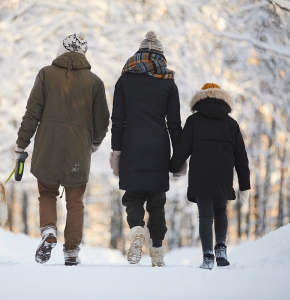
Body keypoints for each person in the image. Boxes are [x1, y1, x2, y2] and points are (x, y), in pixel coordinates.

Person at [15, 32, 110, 266]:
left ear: (61, 51)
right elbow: (102, 122)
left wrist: (21, 143)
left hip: (47, 146)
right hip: (79, 151)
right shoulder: (95, 82)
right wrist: (94, 143)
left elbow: (32, 112)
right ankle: (71, 251)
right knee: (75, 201)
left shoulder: (46, 74)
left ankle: (48, 231)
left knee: (47, 192)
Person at [110, 31, 185, 267]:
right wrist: (180, 156)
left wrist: (116, 152)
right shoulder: (168, 83)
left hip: (131, 144)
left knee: (133, 196)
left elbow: (117, 120)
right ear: (161, 57)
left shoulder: (124, 80)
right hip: (158, 146)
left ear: (138, 55)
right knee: (156, 201)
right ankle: (157, 252)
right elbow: (174, 124)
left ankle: (136, 232)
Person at [169, 83, 251, 269]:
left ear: (201, 98)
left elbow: (182, 150)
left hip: (201, 174)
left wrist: (172, 167)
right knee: (220, 210)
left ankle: (207, 256)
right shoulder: (232, 124)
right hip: (223, 174)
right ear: (223, 99)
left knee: (205, 215)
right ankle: (221, 248)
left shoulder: (194, 121)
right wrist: (245, 185)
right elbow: (241, 158)